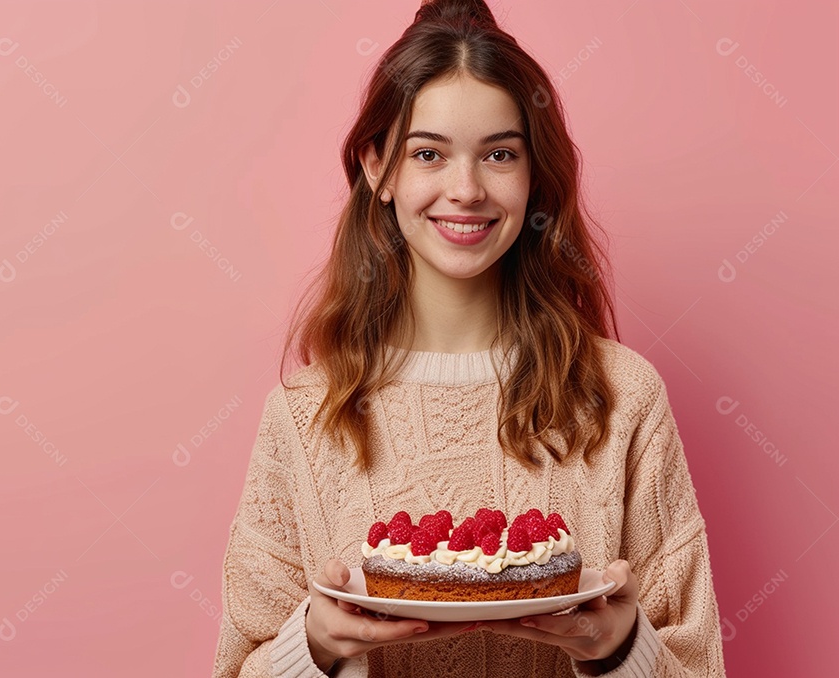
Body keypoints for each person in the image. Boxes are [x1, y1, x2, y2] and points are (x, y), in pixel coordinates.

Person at [212, 0, 726, 675]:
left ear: (534, 174)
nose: (466, 189)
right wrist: (316, 646)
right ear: (378, 167)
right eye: (429, 153)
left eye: (499, 155)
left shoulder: (622, 397)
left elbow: (699, 666)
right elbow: (238, 663)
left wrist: (623, 649)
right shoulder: (307, 414)